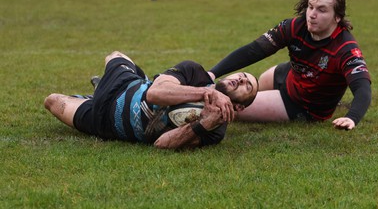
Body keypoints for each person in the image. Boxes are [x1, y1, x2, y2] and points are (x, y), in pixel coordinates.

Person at [209, 0, 371, 131]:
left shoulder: (346, 49)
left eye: (321, 10)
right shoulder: (295, 26)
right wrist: (213, 73)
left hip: (301, 104)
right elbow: (255, 50)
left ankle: (191, 110)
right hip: (285, 75)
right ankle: (199, 90)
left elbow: (362, 87)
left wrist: (352, 118)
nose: (312, 14)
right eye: (310, 7)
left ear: (337, 17)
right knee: (241, 91)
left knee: (231, 107)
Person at [44, 51, 258, 149]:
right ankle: (107, 85)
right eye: (242, 75)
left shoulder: (215, 132)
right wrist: (205, 93)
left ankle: (98, 90)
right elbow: (155, 94)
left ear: (238, 106)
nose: (240, 78)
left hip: (106, 124)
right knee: (115, 55)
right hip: (124, 85)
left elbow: (161, 144)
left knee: (52, 101)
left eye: (247, 85)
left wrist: (202, 124)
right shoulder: (194, 72)